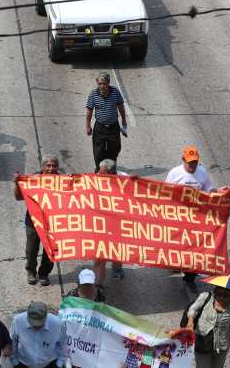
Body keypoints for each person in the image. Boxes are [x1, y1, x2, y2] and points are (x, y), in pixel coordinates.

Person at [165, 146, 214, 293]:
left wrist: (220, 194)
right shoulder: (175, 173)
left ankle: (190, 278)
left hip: (196, 218)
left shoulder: (202, 172)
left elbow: (209, 190)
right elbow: (165, 192)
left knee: (194, 247)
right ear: (183, 160)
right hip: (178, 217)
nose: (192, 166)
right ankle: (175, 262)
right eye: (190, 162)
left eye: (195, 163)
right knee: (178, 243)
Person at [13, 156, 59, 286]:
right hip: (33, 221)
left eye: (53, 165)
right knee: (31, 249)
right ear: (42, 167)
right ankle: (31, 272)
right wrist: (17, 183)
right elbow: (18, 197)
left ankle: (44, 274)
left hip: (53, 222)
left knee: (50, 250)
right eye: (48, 165)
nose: (51, 168)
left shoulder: (63, 181)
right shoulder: (33, 180)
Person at [185, 286, 230, 368]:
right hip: (203, 341)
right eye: (218, 294)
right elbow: (193, 309)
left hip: (222, 346)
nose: (221, 298)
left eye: (225, 295)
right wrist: (191, 319)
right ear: (214, 291)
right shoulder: (206, 296)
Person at [94, 159, 126, 300]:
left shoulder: (124, 179)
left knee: (117, 248)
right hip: (100, 223)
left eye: (102, 173)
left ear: (111, 173)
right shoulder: (93, 180)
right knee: (100, 255)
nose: (98, 174)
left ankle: (117, 267)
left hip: (118, 222)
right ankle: (98, 283)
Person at [86, 72, 127, 172]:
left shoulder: (115, 92)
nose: (102, 86)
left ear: (108, 83)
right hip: (100, 127)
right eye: (100, 84)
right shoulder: (93, 94)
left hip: (113, 127)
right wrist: (88, 126)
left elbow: (121, 106)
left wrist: (124, 120)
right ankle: (99, 170)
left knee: (114, 150)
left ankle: (111, 170)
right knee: (98, 152)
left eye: (104, 84)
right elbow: (89, 110)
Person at [10, 302, 67, 368]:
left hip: (49, 365)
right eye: (33, 323)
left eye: (39, 324)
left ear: (46, 317)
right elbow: (13, 343)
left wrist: (58, 364)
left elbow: (63, 345)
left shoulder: (57, 324)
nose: (36, 327)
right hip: (23, 364)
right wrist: (15, 362)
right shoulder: (17, 321)